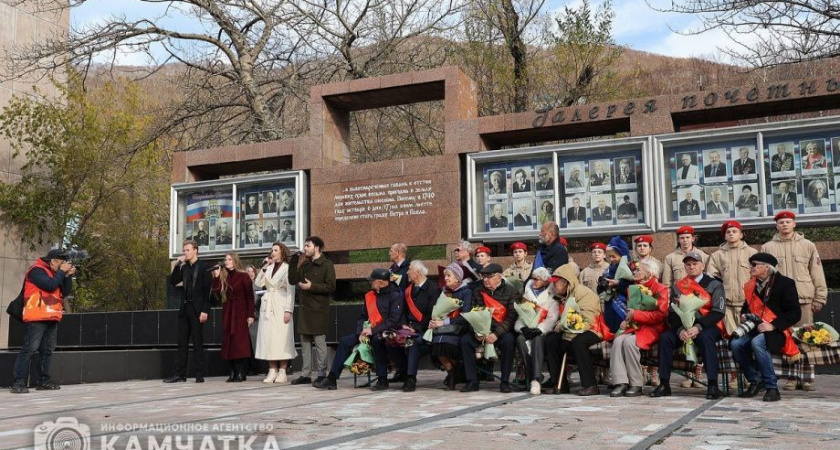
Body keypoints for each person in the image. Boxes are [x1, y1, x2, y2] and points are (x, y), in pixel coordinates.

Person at [760, 211, 827, 392]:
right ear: (776, 226)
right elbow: (763, 275)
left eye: (788, 222)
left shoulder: (807, 245)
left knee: (806, 339)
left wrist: (820, 297)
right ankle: (790, 377)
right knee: (784, 338)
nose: (784, 225)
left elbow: (817, 273)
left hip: (803, 298)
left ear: (794, 224)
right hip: (778, 302)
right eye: (781, 222)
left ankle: (806, 378)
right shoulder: (768, 247)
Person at [650, 252, 726, 400]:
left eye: (695, 264)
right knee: (665, 338)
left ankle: (712, 384)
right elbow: (672, 311)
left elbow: (718, 311)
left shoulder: (715, 284)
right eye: (688, 264)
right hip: (683, 327)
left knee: (705, 338)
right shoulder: (678, 285)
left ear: (703, 266)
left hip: (707, 325)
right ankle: (664, 383)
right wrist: (679, 330)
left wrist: (698, 327)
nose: (691, 267)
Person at [313, 268, 402, 391]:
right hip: (367, 331)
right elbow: (362, 317)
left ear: (381, 282)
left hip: (384, 332)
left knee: (377, 340)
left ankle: (383, 379)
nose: (370, 283)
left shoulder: (395, 295)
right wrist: (360, 331)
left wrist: (373, 330)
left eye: (373, 281)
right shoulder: (370, 296)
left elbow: (393, 320)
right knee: (345, 341)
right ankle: (332, 378)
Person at [730, 253, 801, 402]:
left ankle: (771, 387)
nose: (751, 267)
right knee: (735, 344)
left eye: (754, 264)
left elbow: (795, 313)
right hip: (755, 328)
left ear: (767, 267)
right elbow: (746, 307)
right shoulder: (751, 285)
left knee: (757, 342)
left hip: (777, 330)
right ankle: (755, 381)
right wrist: (744, 315)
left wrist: (773, 325)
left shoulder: (785, 283)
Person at [10, 249, 75, 394]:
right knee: (29, 349)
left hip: (52, 316)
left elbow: (65, 292)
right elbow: (49, 285)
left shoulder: (56, 274)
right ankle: (18, 383)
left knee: (46, 350)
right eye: (61, 262)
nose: (63, 265)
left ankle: (43, 381)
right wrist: (61, 273)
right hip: (36, 316)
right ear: (53, 261)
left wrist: (68, 276)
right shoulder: (36, 270)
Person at [705, 220, 756, 390]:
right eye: (728, 232)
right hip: (726, 305)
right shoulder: (717, 255)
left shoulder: (752, 253)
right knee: (730, 340)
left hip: (747, 306)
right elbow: (711, 279)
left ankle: (751, 376)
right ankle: (733, 375)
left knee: (748, 341)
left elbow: (759, 278)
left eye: (735, 231)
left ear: (741, 234)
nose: (731, 234)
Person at [544, 264, 609, 395]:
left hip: (593, 329)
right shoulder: (564, 295)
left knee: (578, 343)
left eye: (556, 283)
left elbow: (587, 321)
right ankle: (560, 384)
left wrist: (563, 328)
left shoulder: (584, 293)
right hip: (571, 329)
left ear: (565, 282)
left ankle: (590, 384)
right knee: (550, 340)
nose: (554, 286)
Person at [610, 261, 668, 398]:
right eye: (634, 270)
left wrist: (636, 315)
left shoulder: (660, 288)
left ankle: (636, 384)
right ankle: (620, 382)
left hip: (653, 328)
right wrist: (626, 321)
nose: (634, 273)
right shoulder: (633, 288)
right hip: (635, 326)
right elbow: (631, 311)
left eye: (637, 270)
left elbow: (661, 314)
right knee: (618, 340)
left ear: (648, 273)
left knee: (629, 343)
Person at [459, 263, 520, 393]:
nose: (485, 280)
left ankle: (504, 382)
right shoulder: (478, 292)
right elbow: (471, 314)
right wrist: (476, 331)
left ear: (499, 277)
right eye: (483, 277)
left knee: (509, 341)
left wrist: (496, 334)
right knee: (465, 341)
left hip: (500, 332)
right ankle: (472, 381)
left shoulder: (511, 292)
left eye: (489, 277)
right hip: (481, 332)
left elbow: (511, 318)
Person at [289, 236, 336, 386]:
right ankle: (306, 374)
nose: (305, 248)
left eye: (308, 245)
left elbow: (331, 287)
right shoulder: (305, 264)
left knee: (319, 342)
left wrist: (312, 287)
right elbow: (292, 280)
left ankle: (322, 374)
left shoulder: (327, 264)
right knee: (305, 342)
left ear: (316, 247)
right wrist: (294, 261)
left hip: (319, 308)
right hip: (305, 309)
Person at [164, 240, 212, 384]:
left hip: (197, 309)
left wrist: (205, 310)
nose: (185, 252)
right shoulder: (184, 268)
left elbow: (207, 292)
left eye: (187, 250)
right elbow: (173, 282)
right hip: (185, 308)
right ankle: (180, 374)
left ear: (195, 250)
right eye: (184, 250)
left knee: (197, 342)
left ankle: (199, 374)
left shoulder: (204, 267)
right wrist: (178, 264)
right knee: (182, 343)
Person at [255, 242, 297, 384]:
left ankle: (283, 370)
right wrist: (264, 267)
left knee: (281, 338)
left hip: (281, 303)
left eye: (275, 250)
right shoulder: (270, 267)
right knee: (268, 338)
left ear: (282, 252)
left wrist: (288, 310)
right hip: (268, 306)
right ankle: (272, 369)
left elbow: (291, 291)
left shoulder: (287, 268)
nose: (272, 252)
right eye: (271, 250)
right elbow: (258, 283)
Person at [397, 260, 441, 392]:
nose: (407, 272)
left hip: (425, 330)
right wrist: (404, 325)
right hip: (407, 329)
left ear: (418, 273)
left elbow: (432, 315)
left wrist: (415, 328)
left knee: (413, 343)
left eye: (410, 269)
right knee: (390, 342)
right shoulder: (408, 290)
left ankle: (410, 377)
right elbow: (403, 312)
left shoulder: (433, 290)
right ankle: (402, 372)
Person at [211, 252, 256, 382]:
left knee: (239, 342)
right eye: (225, 259)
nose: (227, 262)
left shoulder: (243, 276)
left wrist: (250, 315)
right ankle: (232, 371)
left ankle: (241, 371)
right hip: (228, 311)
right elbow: (216, 294)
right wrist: (216, 277)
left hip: (240, 311)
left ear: (235, 260)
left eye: (229, 259)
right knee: (228, 342)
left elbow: (250, 297)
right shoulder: (224, 276)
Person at [514, 268, 559, 395]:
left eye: (537, 279)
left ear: (545, 281)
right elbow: (521, 315)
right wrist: (522, 328)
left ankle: (536, 379)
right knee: (520, 339)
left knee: (537, 340)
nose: (534, 281)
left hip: (543, 331)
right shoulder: (526, 295)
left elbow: (552, 318)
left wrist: (539, 329)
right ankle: (530, 375)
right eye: (532, 278)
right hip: (527, 328)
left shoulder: (551, 296)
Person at [428, 263, 472, 390]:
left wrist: (444, 322)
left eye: (449, 276)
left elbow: (465, 315)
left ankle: (454, 372)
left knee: (447, 346)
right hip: (441, 328)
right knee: (437, 345)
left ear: (458, 278)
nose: (446, 278)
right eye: (445, 276)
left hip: (458, 327)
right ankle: (452, 372)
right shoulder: (444, 292)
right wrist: (434, 321)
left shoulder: (466, 292)